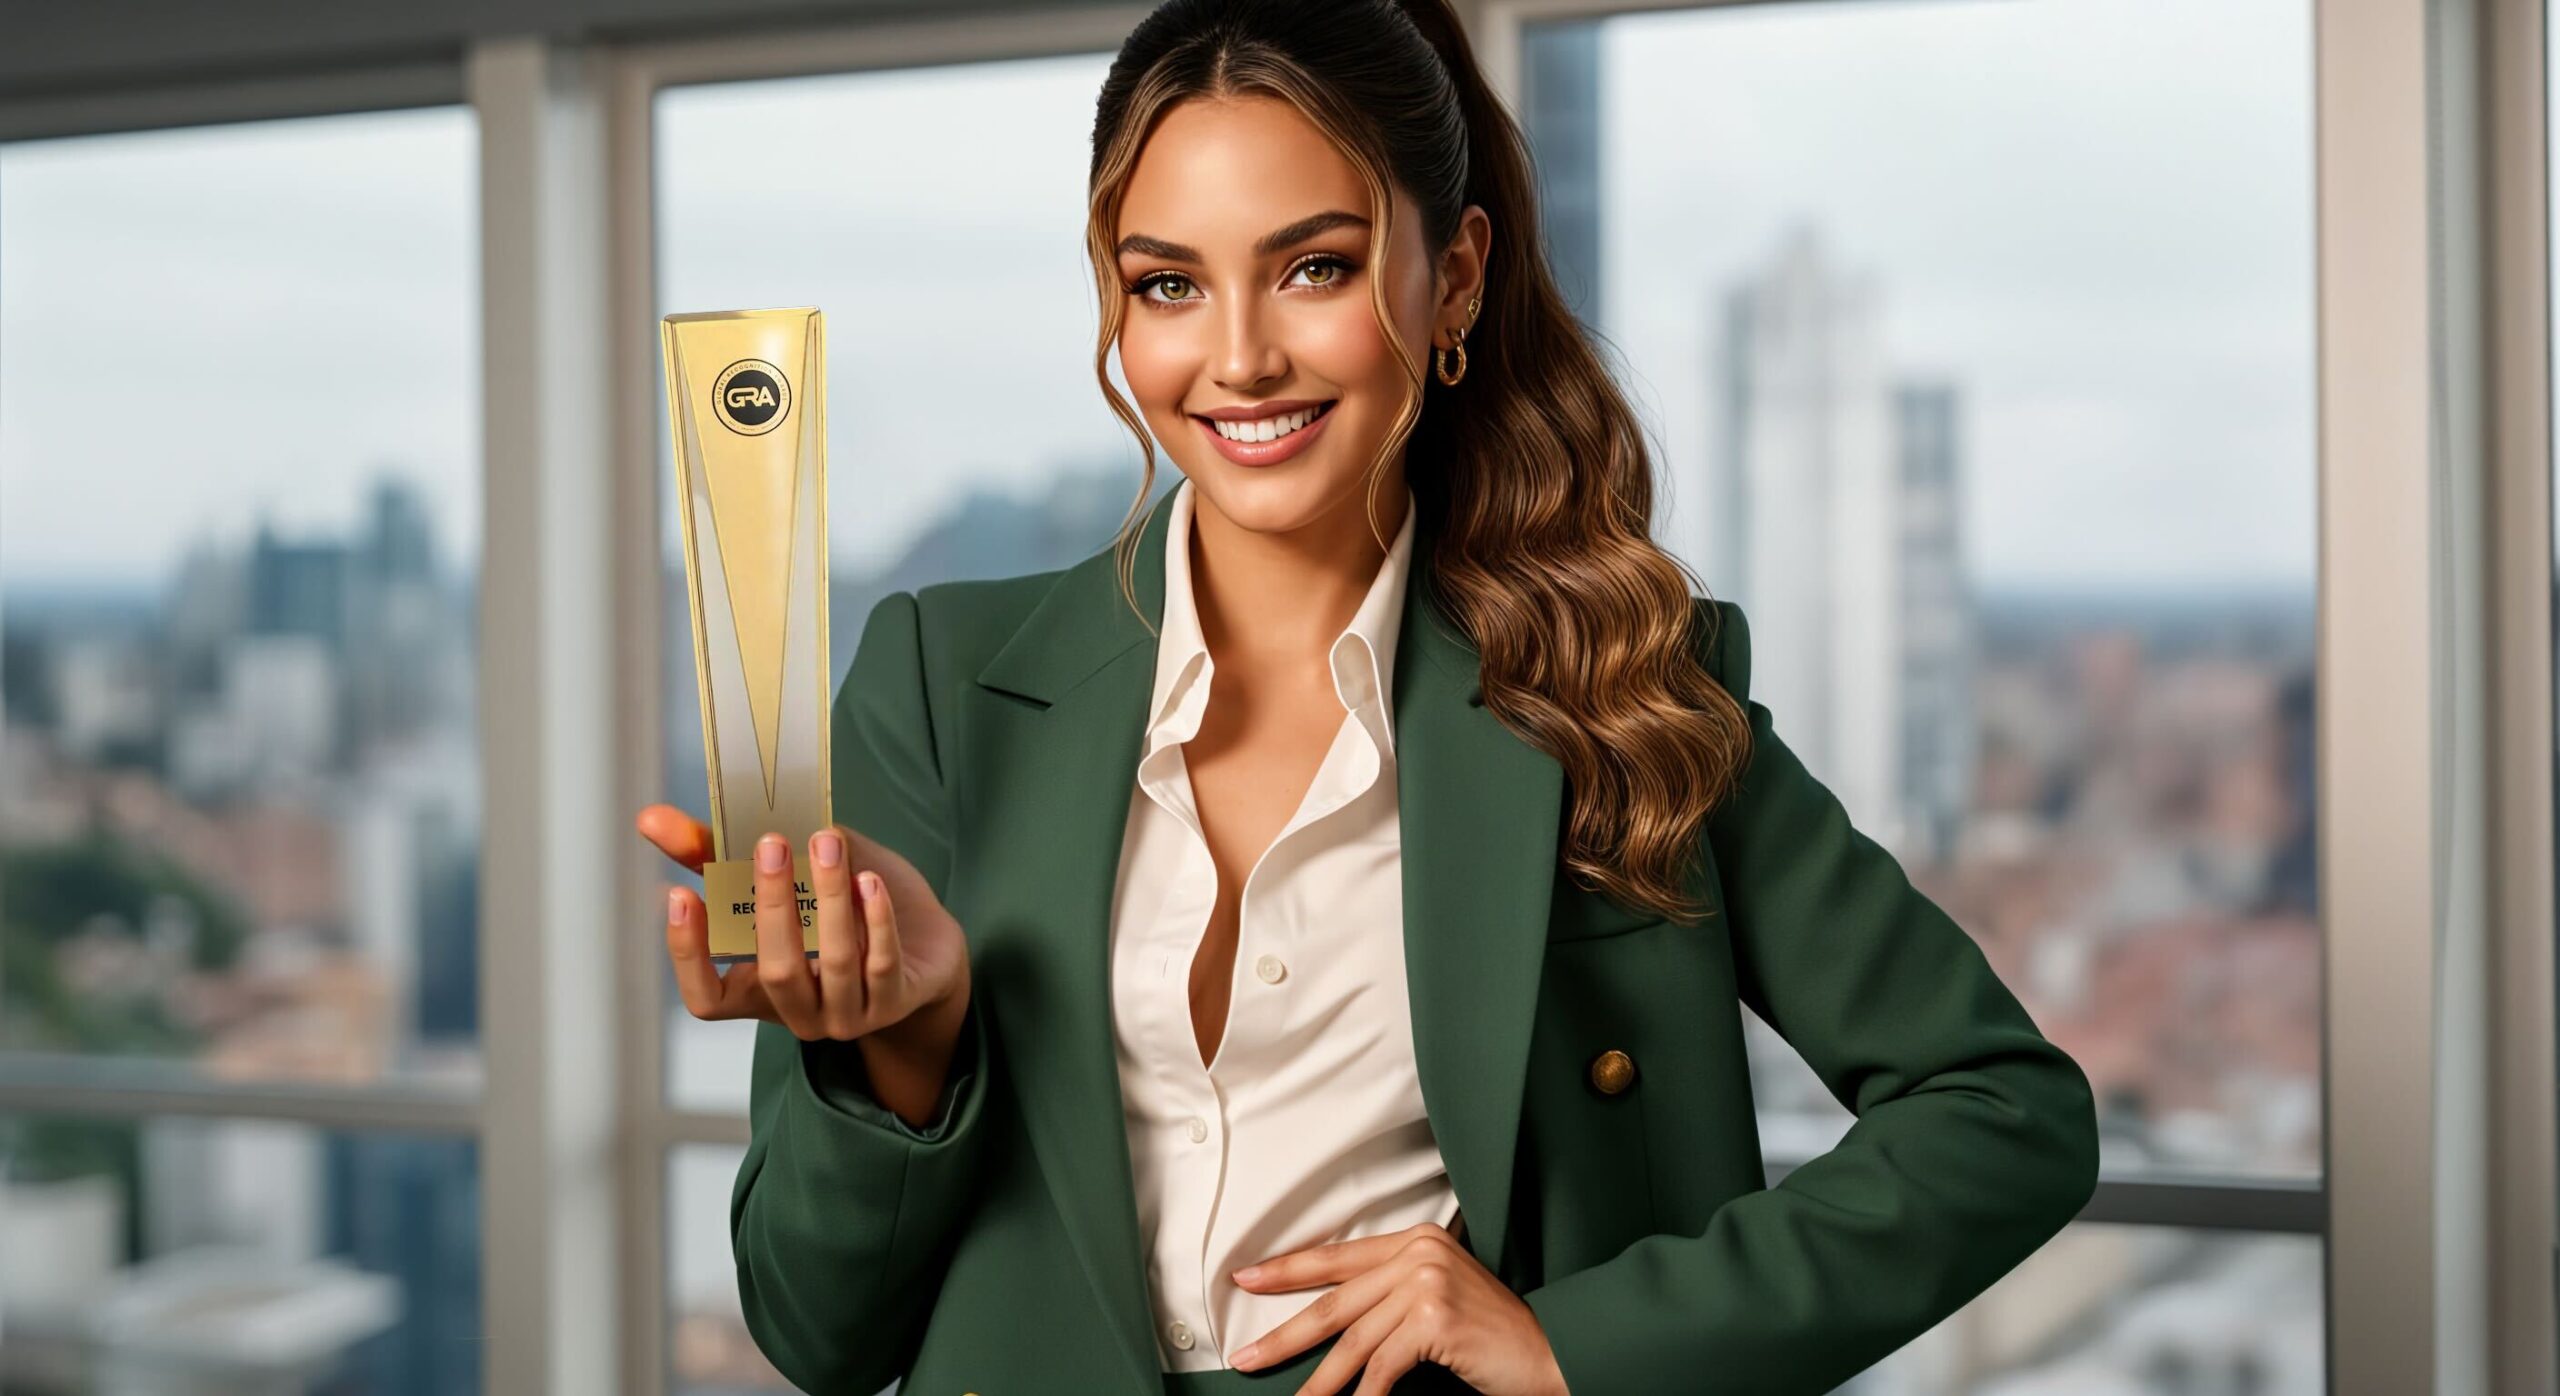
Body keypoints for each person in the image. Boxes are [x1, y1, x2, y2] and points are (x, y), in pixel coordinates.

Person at [634, 0, 2101, 1391]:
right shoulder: (942, 687)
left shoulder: (1613, 686)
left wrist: (1578, 1347)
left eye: (1315, 266)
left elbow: (2006, 1117)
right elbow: (817, 1331)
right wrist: (906, 1041)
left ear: (1452, 276)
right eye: (1168, 284)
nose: (1240, 356)